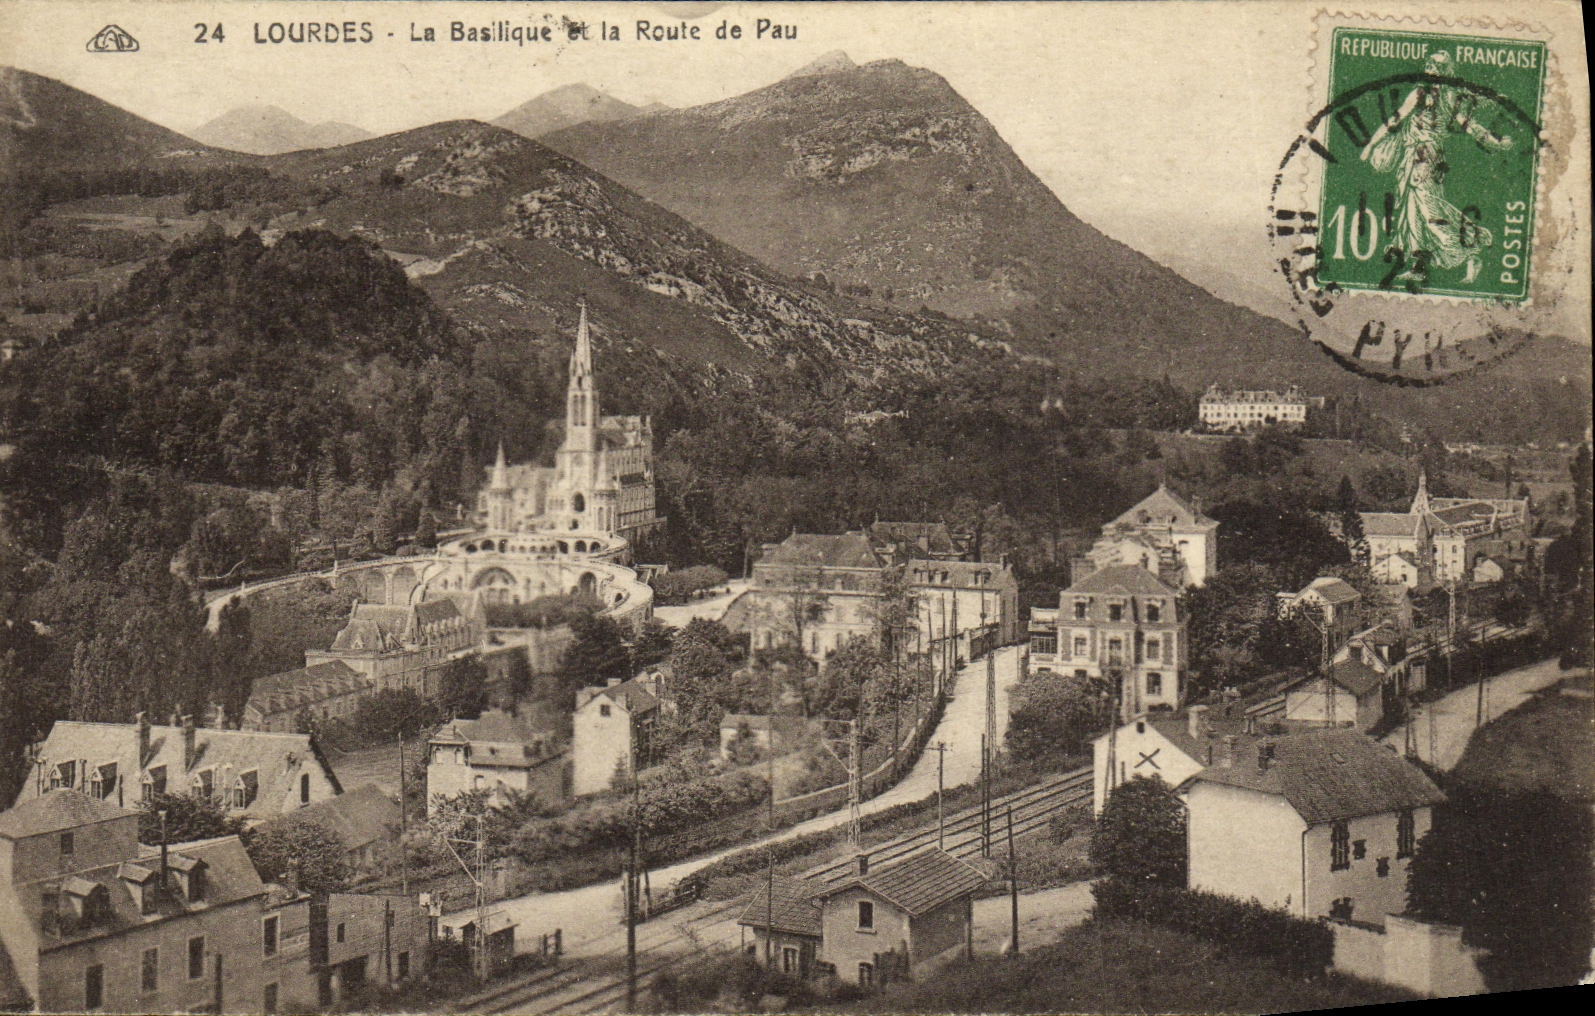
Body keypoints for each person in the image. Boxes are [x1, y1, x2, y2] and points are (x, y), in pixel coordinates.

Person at [1359, 50, 1515, 284]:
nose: (1431, 68)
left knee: (1429, 211)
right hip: (1416, 158)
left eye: (1437, 66)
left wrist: (1497, 143)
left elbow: (1468, 125)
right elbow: (1397, 119)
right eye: (1430, 64)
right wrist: (1371, 144)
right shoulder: (1425, 93)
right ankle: (1419, 265)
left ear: (1444, 72)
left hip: (1425, 158)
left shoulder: (1440, 96)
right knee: (1413, 210)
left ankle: (1470, 253)